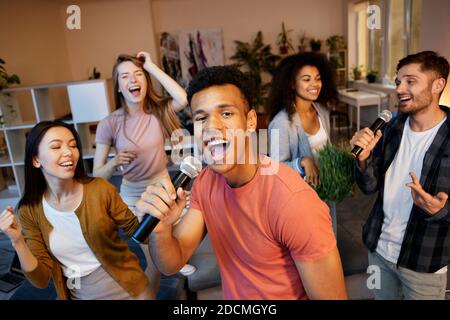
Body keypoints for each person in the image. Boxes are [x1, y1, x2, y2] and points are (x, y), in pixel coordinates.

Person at [136, 66, 347, 300]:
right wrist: (161, 230)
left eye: (226, 114)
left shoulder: (294, 201)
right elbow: (172, 263)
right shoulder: (205, 183)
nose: (211, 127)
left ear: (250, 121)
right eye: (201, 118)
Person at [0, 121, 154, 300]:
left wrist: (149, 217)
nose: (68, 152)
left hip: (130, 290)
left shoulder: (100, 189)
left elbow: (140, 233)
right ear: (36, 160)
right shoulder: (29, 210)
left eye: (73, 145)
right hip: (78, 294)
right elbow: (41, 280)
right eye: (56, 146)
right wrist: (18, 241)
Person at [350, 51, 450, 300]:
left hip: (423, 261)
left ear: (438, 84)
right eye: (397, 82)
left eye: (410, 81)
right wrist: (363, 162)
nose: (400, 89)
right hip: (379, 250)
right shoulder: (391, 128)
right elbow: (370, 187)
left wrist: (440, 210)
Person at [93, 51, 191, 290]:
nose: (133, 80)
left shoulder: (158, 112)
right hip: (132, 197)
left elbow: (183, 98)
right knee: (152, 253)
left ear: (146, 80)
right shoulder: (109, 123)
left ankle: (172, 263)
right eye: (125, 76)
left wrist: (152, 66)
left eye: (138, 74)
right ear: (118, 87)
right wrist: (115, 163)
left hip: (162, 186)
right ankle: (166, 270)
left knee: (168, 238)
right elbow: (96, 174)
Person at [266, 52, 338, 235]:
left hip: (325, 194)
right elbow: (273, 169)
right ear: (291, 84)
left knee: (329, 238)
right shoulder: (281, 123)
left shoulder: (321, 110)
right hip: (300, 201)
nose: (314, 84)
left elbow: (326, 149)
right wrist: (302, 162)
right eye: (306, 79)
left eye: (318, 78)